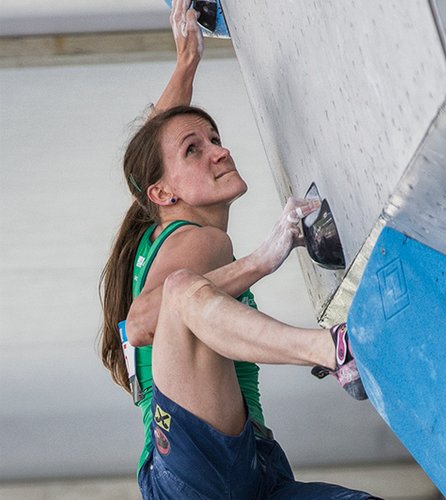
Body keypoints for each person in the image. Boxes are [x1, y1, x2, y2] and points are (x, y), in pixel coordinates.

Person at [98, 1, 373, 498]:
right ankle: (332, 349)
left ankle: (335, 351)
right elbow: (141, 322)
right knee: (182, 293)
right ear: (164, 195)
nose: (220, 150)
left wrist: (187, 62)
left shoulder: (158, 228)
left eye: (215, 138)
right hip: (196, 473)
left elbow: (153, 154)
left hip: (242, 470)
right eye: (195, 150)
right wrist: (266, 257)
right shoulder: (197, 240)